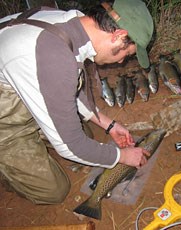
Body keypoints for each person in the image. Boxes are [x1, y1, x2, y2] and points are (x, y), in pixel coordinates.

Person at [0, 0, 154, 204]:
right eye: (127, 54)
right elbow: (70, 146)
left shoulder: (74, 23)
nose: (121, 61)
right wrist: (122, 157)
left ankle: (40, 130)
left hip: (26, 89)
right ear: (118, 36)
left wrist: (108, 124)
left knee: (87, 137)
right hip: (7, 122)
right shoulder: (53, 56)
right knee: (54, 191)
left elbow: (66, 85)